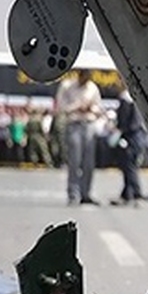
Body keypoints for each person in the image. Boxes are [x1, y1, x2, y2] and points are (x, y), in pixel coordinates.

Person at [54, 69, 103, 205]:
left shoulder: (93, 88)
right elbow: (61, 106)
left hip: (89, 123)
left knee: (89, 162)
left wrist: (90, 108)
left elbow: (99, 107)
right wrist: (77, 107)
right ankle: (73, 193)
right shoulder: (67, 86)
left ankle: (86, 193)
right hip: (74, 124)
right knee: (74, 160)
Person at [112, 85, 148, 206]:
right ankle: (126, 195)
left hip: (130, 137)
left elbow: (123, 122)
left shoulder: (125, 99)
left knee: (130, 167)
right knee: (129, 166)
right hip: (139, 136)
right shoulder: (137, 98)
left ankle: (138, 195)